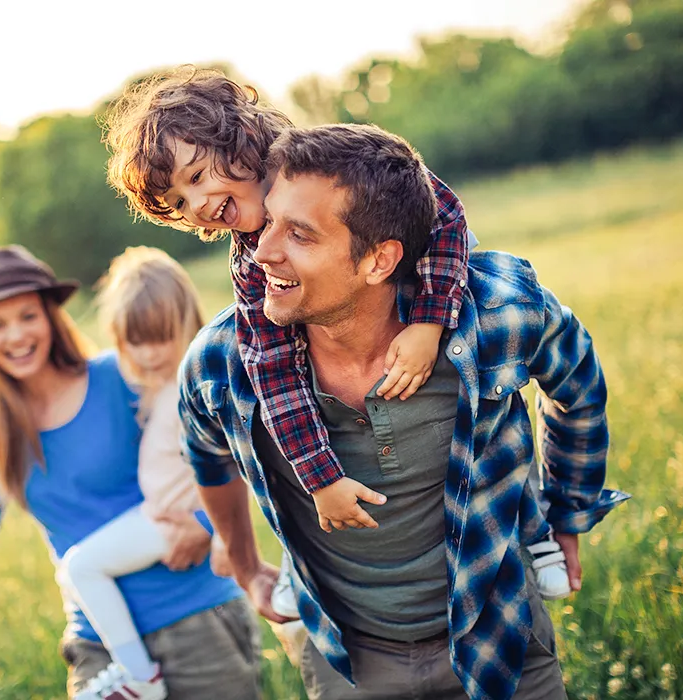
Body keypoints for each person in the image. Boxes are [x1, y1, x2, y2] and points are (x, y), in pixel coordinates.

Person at [176, 124, 631, 699]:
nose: (260, 250)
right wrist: (243, 564)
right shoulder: (222, 362)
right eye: (268, 222)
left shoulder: (496, 315)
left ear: (379, 260)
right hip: (347, 662)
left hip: (499, 637)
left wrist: (568, 510)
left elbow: (578, 386)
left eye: (299, 234)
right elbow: (205, 453)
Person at [102, 67, 571, 601]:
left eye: (196, 177)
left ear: (239, 137)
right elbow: (273, 373)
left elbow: (446, 214)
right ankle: (310, 575)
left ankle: (533, 532)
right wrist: (320, 478)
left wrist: (429, 323)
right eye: (181, 203)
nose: (199, 205)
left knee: (484, 410)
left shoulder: (337, 163)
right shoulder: (250, 265)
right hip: (350, 359)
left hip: (428, 292)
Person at [0, 245, 260, 700]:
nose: (15, 335)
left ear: (51, 317)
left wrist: (204, 526)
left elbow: (209, 453)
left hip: (194, 618)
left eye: (27, 316)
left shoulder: (121, 375)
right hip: (98, 644)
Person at [56, 245, 283, 698]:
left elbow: (235, 459)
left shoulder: (194, 382)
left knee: (80, 567)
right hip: (159, 513)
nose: (149, 352)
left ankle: (141, 678)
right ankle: (140, 674)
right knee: (80, 568)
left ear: (185, 322)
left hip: (173, 518)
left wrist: (221, 535)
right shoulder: (154, 381)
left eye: (160, 337)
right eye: (134, 340)